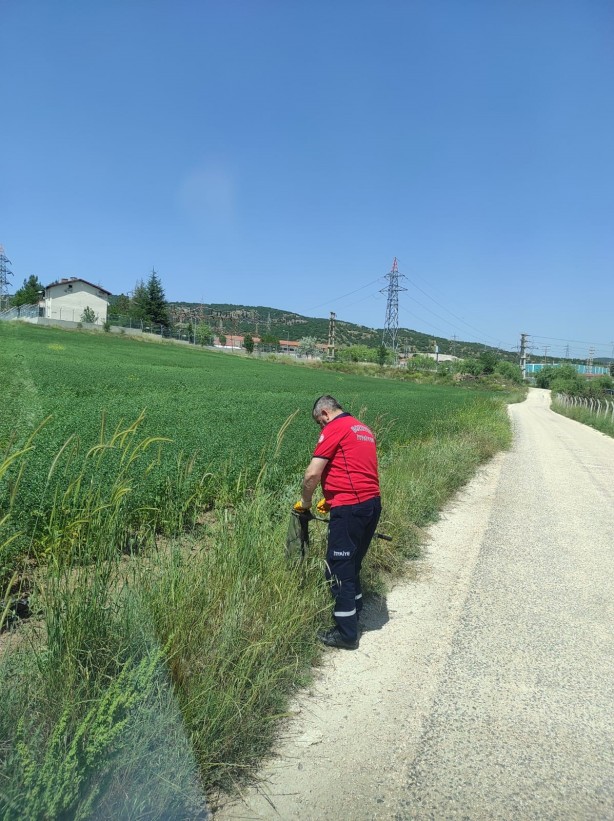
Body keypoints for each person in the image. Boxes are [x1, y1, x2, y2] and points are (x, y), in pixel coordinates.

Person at [295, 395, 381, 650]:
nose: (321, 428)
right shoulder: (362, 428)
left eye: (319, 423)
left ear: (324, 413)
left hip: (351, 507)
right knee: (352, 563)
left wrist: (306, 502)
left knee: (337, 570)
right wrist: (331, 498)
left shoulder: (336, 427)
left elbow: (312, 474)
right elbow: (354, 470)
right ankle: (355, 613)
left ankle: (346, 634)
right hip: (370, 503)